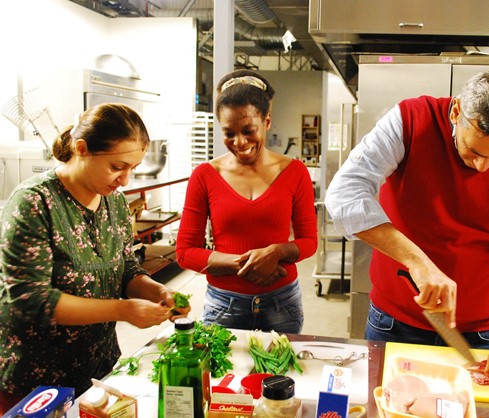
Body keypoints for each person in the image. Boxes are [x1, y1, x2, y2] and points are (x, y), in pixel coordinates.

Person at [325, 70, 489, 379]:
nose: (482, 167)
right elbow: (346, 194)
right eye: (475, 151)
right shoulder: (411, 120)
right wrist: (419, 263)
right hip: (395, 323)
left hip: (483, 333)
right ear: (456, 112)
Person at [0, 103, 190, 412]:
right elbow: (30, 300)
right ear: (82, 149)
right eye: (117, 167)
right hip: (36, 383)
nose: (125, 180)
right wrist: (123, 310)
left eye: (132, 168)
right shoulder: (34, 203)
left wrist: (156, 291)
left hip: (98, 371)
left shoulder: (112, 202)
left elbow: (126, 268)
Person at [176, 69, 317, 334]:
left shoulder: (295, 171)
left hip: (282, 303)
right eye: (229, 133)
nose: (239, 142)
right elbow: (185, 252)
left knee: (279, 375)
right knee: (222, 376)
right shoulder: (204, 176)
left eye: (248, 130)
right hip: (224, 304)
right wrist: (247, 264)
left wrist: (276, 252)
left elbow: (309, 242)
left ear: (267, 121)